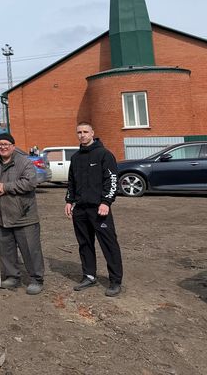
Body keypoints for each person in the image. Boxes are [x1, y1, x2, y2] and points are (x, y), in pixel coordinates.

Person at [65, 122, 123, 297]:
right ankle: (89, 276)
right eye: (79, 132)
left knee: (109, 244)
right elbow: (71, 181)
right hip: (80, 210)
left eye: (85, 132)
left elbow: (112, 180)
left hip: (99, 209)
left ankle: (115, 281)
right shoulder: (76, 158)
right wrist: (69, 201)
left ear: (92, 133)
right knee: (84, 243)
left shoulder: (104, 155)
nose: (82, 135)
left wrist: (106, 202)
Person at [0, 133, 44, 294]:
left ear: (13, 146)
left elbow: (30, 183)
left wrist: (5, 187)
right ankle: (12, 277)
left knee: (30, 250)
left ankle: (36, 279)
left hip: (24, 215)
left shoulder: (24, 162)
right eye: (0, 144)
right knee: (7, 249)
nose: (3, 147)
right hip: (2, 215)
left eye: (6, 144)